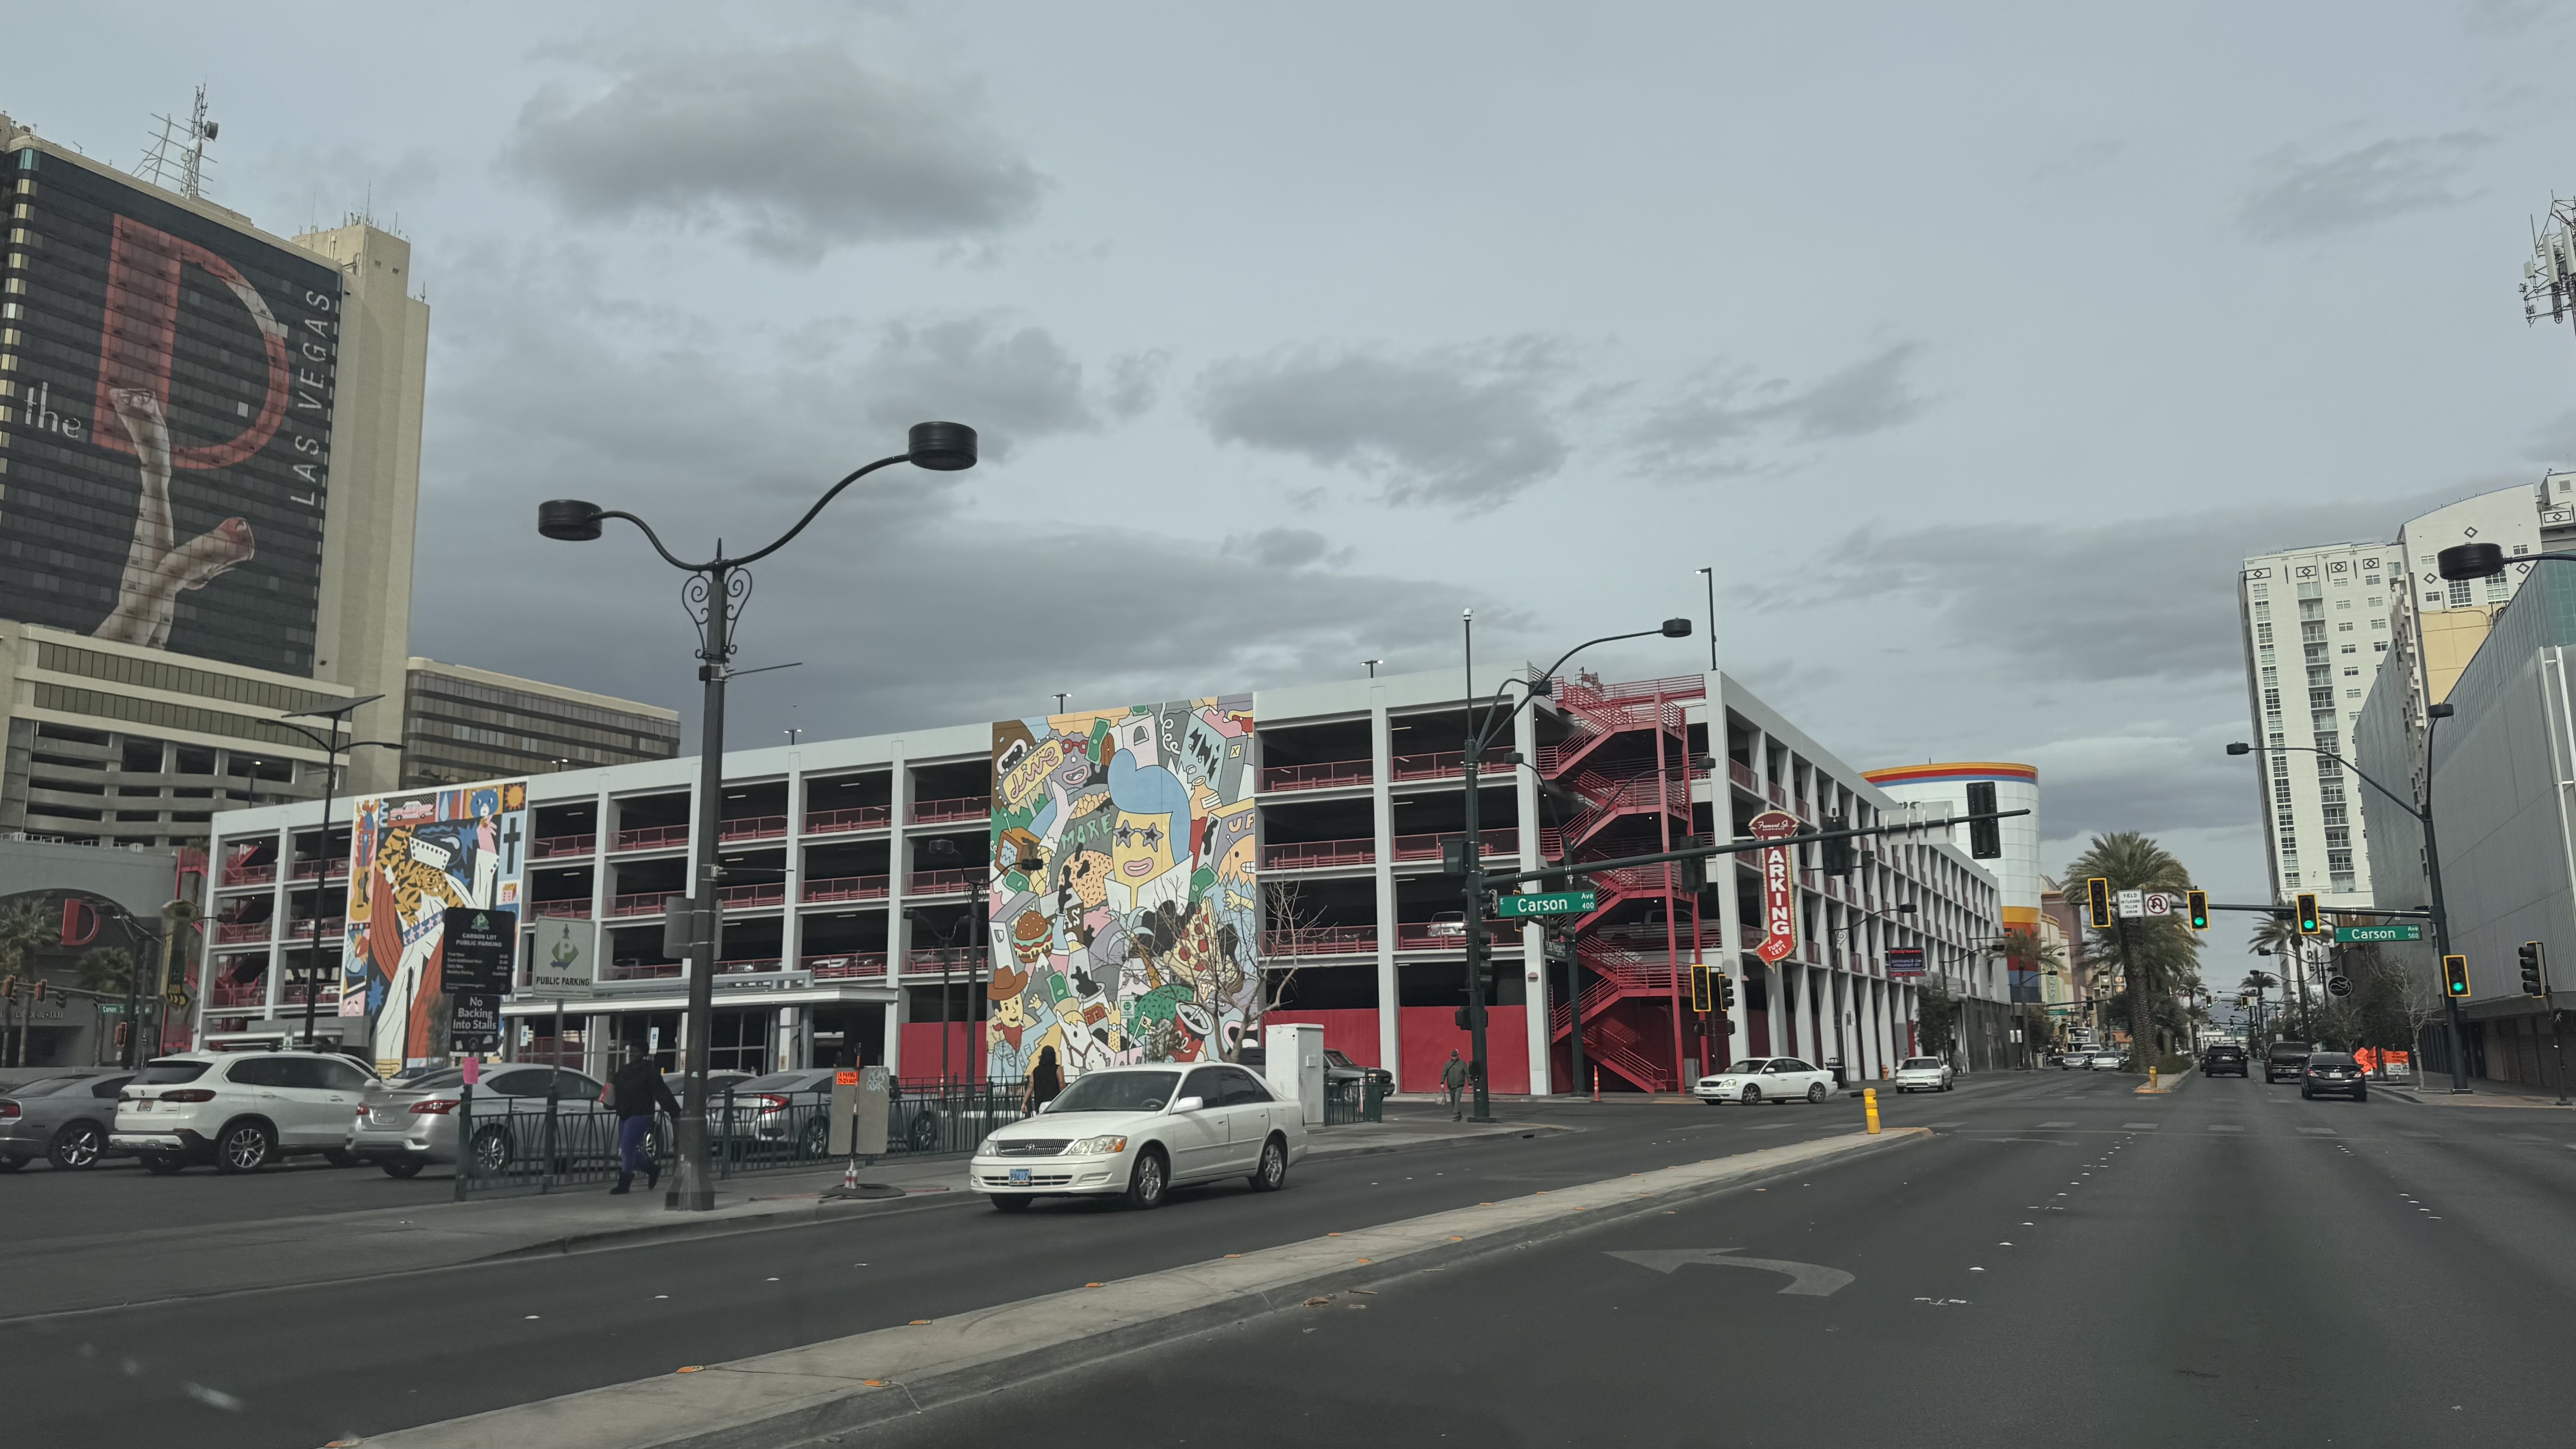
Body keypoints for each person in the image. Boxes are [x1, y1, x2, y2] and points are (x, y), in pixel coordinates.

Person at [608, 1043, 679, 1196]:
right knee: (627, 1150)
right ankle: (651, 1169)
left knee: (627, 1146)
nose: (633, 1054)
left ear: (644, 1053)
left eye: (636, 1051)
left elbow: (661, 1092)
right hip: (625, 1113)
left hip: (641, 1114)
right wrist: (608, 1101)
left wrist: (673, 1110)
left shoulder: (650, 1072)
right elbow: (612, 1087)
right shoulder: (624, 1070)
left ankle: (625, 1182)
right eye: (631, 1051)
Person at [1024, 1044, 1064, 1116]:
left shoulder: (1036, 1070)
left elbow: (1031, 1085)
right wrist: (1064, 1099)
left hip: (1040, 1104)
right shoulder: (1058, 1069)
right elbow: (1062, 1084)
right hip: (1055, 1102)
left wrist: (1024, 1103)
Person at [1442, 1049, 1469, 1119]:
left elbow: (1467, 1073)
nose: (1454, 1057)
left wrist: (1470, 1083)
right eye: (1453, 1056)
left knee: (1457, 1099)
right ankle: (1458, 1113)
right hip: (1451, 1085)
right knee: (1453, 1100)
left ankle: (1456, 1114)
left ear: (1458, 1055)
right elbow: (1444, 1073)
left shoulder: (1462, 1063)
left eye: (1455, 1056)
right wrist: (1442, 1082)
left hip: (1460, 1085)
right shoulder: (1448, 1064)